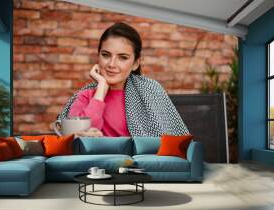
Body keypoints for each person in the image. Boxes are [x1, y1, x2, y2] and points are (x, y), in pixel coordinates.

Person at [58, 22, 189, 137]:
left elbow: (168, 141)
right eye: (106, 55)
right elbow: (76, 141)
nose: (112, 64)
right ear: (98, 56)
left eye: (123, 57)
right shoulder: (85, 97)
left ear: (135, 63)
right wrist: (100, 91)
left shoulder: (150, 90)